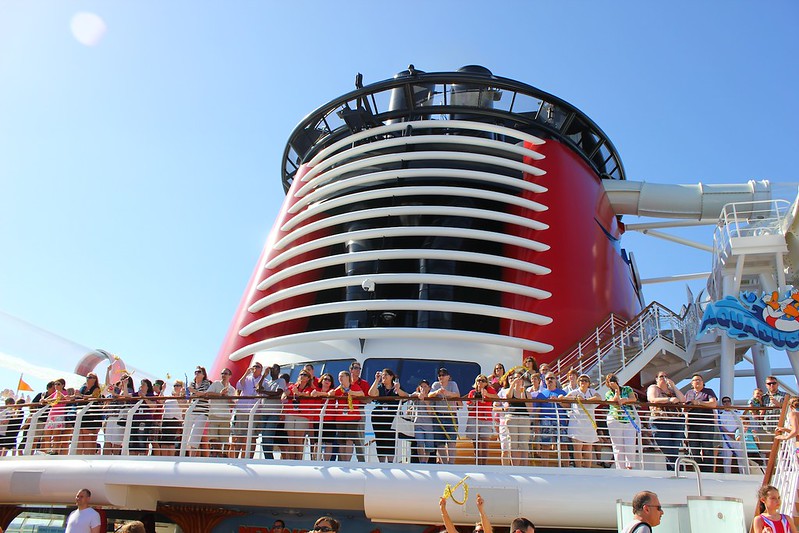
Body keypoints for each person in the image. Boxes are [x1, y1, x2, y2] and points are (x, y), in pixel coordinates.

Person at [646, 371, 685, 471]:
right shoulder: (653, 388)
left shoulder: (671, 390)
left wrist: (673, 386)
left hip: (677, 421)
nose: (663, 378)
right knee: (667, 448)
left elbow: (683, 399)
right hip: (660, 421)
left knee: (675, 449)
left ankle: (673, 472)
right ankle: (675, 471)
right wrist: (669, 400)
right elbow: (652, 399)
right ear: (656, 379)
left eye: (665, 376)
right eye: (661, 376)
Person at [369, 368, 408, 462]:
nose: (383, 376)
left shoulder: (396, 387)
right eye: (382, 375)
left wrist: (398, 389)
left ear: (391, 377)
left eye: (386, 375)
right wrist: (376, 380)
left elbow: (406, 397)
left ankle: (390, 462)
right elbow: (371, 393)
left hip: (392, 417)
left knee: (391, 438)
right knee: (380, 438)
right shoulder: (380, 388)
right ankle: (382, 462)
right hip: (378, 417)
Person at [683, 373, 718, 472]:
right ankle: (697, 470)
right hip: (692, 424)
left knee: (707, 447)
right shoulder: (688, 393)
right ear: (691, 383)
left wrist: (699, 403)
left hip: (706, 423)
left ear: (703, 383)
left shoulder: (708, 391)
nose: (697, 381)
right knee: (694, 448)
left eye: (699, 380)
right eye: (695, 380)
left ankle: (708, 471)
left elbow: (713, 403)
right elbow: (684, 407)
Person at [604, 373, 638, 470]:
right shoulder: (608, 393)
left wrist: (625, 400)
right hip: (615, 419)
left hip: (629, 419)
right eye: (610, 381)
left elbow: (633, 399)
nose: (613, 382)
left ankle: (629, 467)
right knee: (618, 446)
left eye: (614, 379)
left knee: (630, 444)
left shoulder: (627, 389)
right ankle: (620, 469)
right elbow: (615, 402)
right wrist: (617, 391)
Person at [565, 374, 600, 467]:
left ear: (589, 383)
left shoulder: (592, 391)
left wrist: (585, 400)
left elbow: (598, 397)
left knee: (588, 448)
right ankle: (579, 468)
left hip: (589, 424)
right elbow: (565, 398)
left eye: (585, 380)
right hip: (577, 423)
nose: (583, 382)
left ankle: (587, 468)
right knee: (577, 448)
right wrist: (575, 398)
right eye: (581, 380)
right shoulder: (575, 392)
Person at [428, 368, 460, 465]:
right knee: (439, 442)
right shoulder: (435, 385)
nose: (441, 377)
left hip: (451, 416)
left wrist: (447, 393)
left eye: (443, 375)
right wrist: (437, 392)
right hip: (438, 416)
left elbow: (457, 394)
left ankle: (451, 464)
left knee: (451, 441)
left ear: (448, 377)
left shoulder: (453, 384)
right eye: (439, 375)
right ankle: (445, 464)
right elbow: (429, 395)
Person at [232, 362, 264, 459]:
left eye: (257, 366)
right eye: (254, 366)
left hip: (255, 411)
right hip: (242, 409)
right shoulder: (247, 378)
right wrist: (246, 373)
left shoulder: (264, 380)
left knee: (252, 437)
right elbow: (238, 386)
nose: (254, 368)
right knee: (239, 436)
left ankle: (248, 459)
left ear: (261, 369)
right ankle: (235, 459)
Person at [535, 372, 567, 467]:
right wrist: (536, 425)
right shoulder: (541, 395)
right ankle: (545, 468)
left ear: (555, 380)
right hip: (546, 421)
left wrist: (559, 401)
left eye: (552, 378)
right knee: (545, 445)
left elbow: (568, 406)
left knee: (563, 446)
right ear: (545, 381)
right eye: (548, 378)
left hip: (560, 421)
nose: (550, 380)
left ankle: (566, 468)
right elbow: (537, 410)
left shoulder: (562, 393)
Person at [465, 374, 498, 465]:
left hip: (486, 419)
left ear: (486, 383)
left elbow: (497, 398)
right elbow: (469, 408)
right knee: (476, 445)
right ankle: (477, 464)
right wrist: (474, 401)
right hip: (474, 418)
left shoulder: (489, 390)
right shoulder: (472, 392)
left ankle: (484, 465)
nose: (480, 382)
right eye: (479, 380)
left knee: (484, 443)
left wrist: (486, 394)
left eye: (483, 380)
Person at [333, 370, 365, 461]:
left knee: (349, 439)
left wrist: (352, 392)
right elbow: (332, 394)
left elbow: (361, 394)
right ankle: (343, 461)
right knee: (341, 441)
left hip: (352, 417)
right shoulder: (339, 389)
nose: (340, 378)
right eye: (339, 377)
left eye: (342, 376)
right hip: (340, 417)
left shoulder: (354, 386)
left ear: (347, 377)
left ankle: (348, 461)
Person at [501, 370, 531, 466]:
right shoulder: (511, 391)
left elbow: (530, 409)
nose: (517, 380)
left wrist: (523, 397)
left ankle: (525, 466)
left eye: (519, 378)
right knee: (513, 443)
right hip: (512, 417)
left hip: (524, 418)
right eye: (515, 378)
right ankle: (515, 466)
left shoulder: (527, 393)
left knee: (524, 443)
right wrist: (513, 384)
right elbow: (508, 397)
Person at [257, 364, 287, 460]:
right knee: (264, 437)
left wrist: (264, 393)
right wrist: (264, 376)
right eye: (271, 369)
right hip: (264, 412)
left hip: (274, 412)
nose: (272, 370)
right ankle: (268, 458)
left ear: (278, 371)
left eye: (274, 369)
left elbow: (278, 393)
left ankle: (269, 459)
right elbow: (258, 388)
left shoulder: (281, 381)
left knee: (267, 436)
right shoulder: (267, 382)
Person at [206, 368, 234, 458]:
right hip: (214, 415)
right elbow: (207, 394)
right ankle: (216, 454)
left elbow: (232, 404)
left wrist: (227, 396)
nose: (223, 375)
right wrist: (219, 394)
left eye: (226, 373)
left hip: (225, 417)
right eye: (222, 373)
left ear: (230, 376)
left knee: (224, 439)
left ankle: (223, 455)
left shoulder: (232, 389)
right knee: (213, 438)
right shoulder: (215, 384)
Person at [186, 366, 212, 457]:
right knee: (187, 433)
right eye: (195, 372)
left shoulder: (206, 383)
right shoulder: (192, 383)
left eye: (199, 372)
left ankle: (192, 456)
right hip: (192, 410)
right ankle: (187, 456)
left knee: (195, 434)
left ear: (203, 374)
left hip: (202, 411)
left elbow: (205, 394)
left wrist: (194, 392)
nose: (197, 373)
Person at [310, 373, 336, 460]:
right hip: (318, 419)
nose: (327, 381)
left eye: (329, 380)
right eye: (325, 379)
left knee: (329, 442)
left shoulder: (333, 390)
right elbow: (313, 394)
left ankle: (326, 462)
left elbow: (331, 394)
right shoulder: (316, 389)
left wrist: (320, 394)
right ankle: (316, 460)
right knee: (317, 442)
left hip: (330, 419)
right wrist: (322, 393)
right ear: (321, 380)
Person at [74, 373, 102, 455]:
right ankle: (79, 457)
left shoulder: (96, 388)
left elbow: (93, 397)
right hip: (82, 414)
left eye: (90, 377)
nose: (88, 379)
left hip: (91, 415)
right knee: (80, 437)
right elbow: (79, 396)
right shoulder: (83, 388)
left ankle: (89, 457)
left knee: (89, 438)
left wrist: (81, 395)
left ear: (95, 379)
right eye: (87, 377)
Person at [718, 396, 746, 473]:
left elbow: (741, 424)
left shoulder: (737, 413)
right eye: (724, 402)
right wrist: (730, 434)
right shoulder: (721, 414)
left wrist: (735, 434)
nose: (726, 403)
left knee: (741, 458)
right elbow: (721, 426)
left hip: (737, 437)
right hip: (727, 438)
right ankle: (727, 474)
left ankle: (743, 474)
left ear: (730, 402)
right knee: (727, 458)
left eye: (728, 401)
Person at [409, 379, 435, 464]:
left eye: (425, 386)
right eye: (421, 386)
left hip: (428, 425)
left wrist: (426, 402)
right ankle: (421, 462)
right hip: (418, 423)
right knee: (420, 443)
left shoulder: (431, 398)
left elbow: (430, 412)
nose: (423, 388)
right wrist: (418, 394)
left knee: (428, 445)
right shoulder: (417, 397)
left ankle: (425, 462)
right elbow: (411, 396)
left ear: (429, 388)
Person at [348, 362, 370, 461]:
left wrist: (356, 397)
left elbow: (369, 400)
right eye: (356, 368)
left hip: (359, 410)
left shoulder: (364, 383)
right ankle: (344, 462)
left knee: (359, 439)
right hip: (345, 412)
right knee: (346, 439)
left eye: (359, 368)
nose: (358, 370)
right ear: (351, 370)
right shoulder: (345, 382)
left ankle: (361, 461)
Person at [160, 381, 186, 456]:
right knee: (164, 441)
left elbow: (183, 407)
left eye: (178, 385)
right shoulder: (169, 396)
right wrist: (162, 390)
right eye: (175, 385)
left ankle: (171, 457)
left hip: (175, 420)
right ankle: (164, 458)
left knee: (171, 441)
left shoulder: (183, 397)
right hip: (166, 420)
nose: (176, 387)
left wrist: (178, 396)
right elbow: (161, 401)